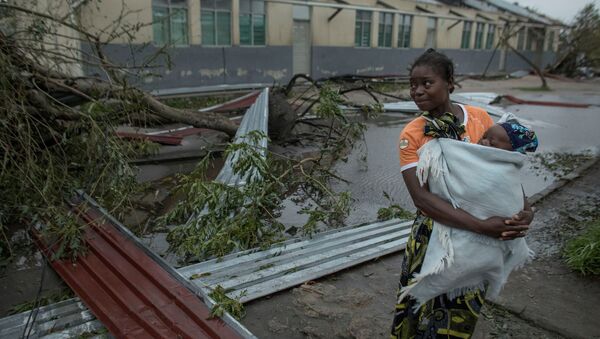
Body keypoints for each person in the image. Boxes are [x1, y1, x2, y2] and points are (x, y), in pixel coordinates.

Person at [391, 49, 534, 339]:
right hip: (434, 233)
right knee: (418, 306)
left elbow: (504, 172)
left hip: (480, 241)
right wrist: (482, 226)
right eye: (413, 84)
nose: (417, 91)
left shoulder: (480, 119)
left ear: (449, 82)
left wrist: (525, 210)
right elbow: (421, 199)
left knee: (458, 313)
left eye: (426, 83)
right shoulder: (413, 133)